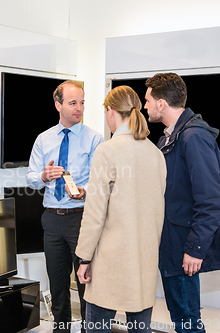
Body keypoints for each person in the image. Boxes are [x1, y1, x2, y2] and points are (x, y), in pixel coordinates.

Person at [144, 73, 220, 333]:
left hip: (183, 247)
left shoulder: (193, 137)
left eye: (147, 101)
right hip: (172, 245)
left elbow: (211, 201)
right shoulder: (170, 138)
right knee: (182, 319)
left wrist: (195, 249)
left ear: (161, 104)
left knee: (187, 323)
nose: (144, 106)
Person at [75, 85, 166, 333]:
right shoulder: (155, 153)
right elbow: (159, 213)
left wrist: (84, 257)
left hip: (109, 262)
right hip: (143, 261)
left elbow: (94, 214)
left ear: (110, 111)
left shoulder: (107, 150)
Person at [27, 80, 104, 333]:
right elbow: (30, 177)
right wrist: (44, 176)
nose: (79, 108)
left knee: (85, 284)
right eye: (73, 103)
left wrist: (85, 191)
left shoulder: (95, 139)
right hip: (51, 220)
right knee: (58, 284)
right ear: (58, 105)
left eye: (82, 103)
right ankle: (61, 329)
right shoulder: (43, 139)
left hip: (82, 219)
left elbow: (101, 182)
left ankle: (88, 329)